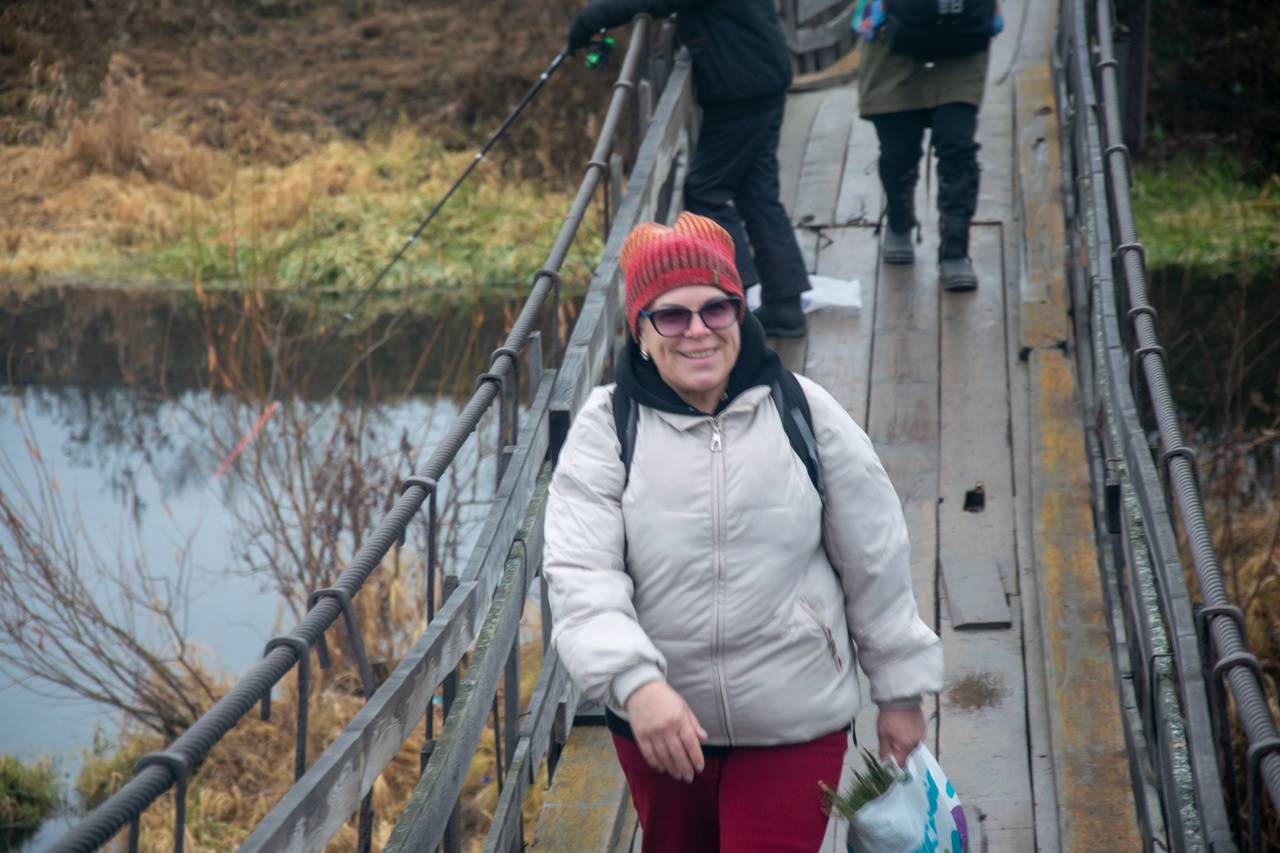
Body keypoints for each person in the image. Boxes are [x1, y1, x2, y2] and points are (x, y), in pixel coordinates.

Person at [542, 211, 944, 852]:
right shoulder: (606, 428)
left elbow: (877, 557)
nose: (697, 330)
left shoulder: (805, 410)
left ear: (741, 312)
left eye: (717, 309)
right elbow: (581, 577)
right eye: (671, 315)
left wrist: (898, 690)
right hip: (659, 724)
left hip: (796, 718)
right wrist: (636, 684)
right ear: (640, 332)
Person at [566, 0, 812, 338]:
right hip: (758, 79)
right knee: (758, 195)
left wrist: (592, 17)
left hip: (740, 88)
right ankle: (784, 305)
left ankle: (732, 299)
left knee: (705, 192)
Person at [854, 0, 1001, 291]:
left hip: (961, 30)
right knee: (899, 149)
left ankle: (955, 251)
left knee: (957, 147)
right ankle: (900, 218)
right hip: (893, 35)